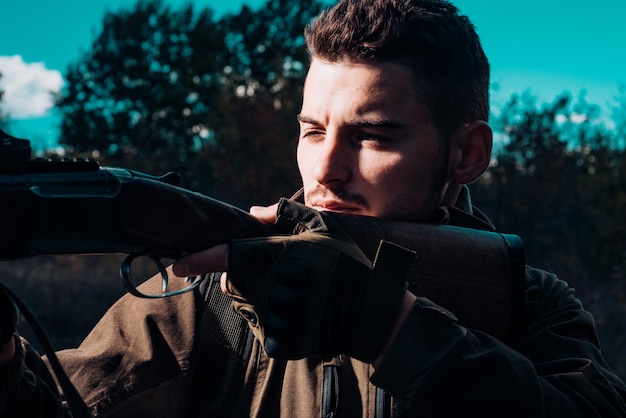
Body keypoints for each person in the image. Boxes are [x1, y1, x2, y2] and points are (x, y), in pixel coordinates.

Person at [2, 0, 626, 416]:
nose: (326, 168)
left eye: (373, 135)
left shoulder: (531, 306)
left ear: (466, 153)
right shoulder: (211, 293)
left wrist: (384, 322)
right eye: (312, 130)